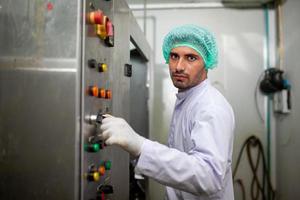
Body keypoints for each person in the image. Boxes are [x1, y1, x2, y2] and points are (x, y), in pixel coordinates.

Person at [100, 24, 235, 200]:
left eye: (191, 58)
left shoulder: (211, 107)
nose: (179, 66)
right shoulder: (188, 99)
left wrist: (141, 146)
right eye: (174, 56)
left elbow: (209, 177)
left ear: (207, 63)